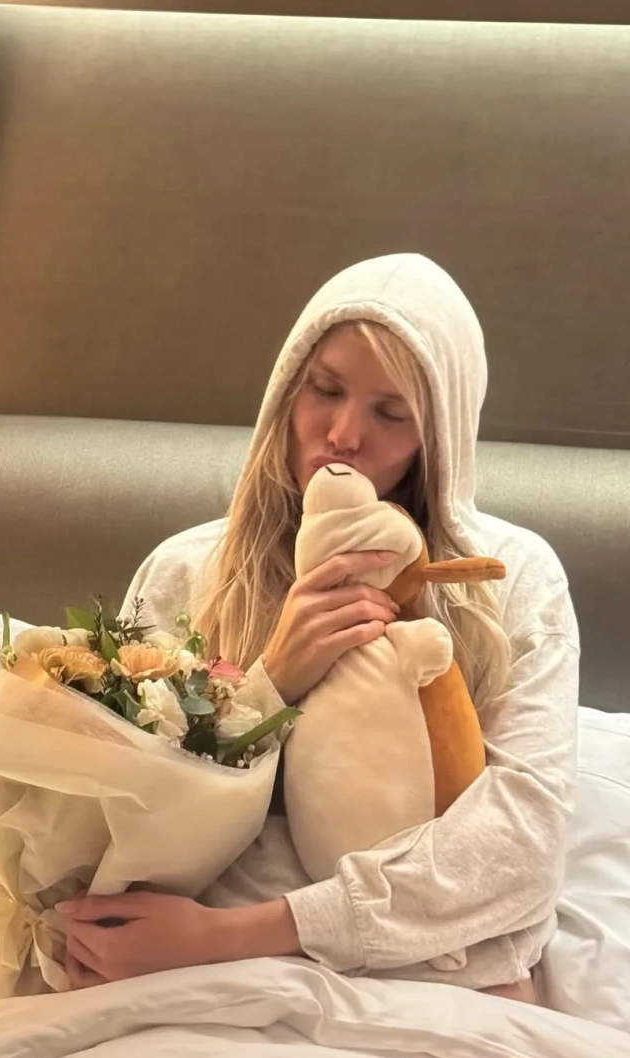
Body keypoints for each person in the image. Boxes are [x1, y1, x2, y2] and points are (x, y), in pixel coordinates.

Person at [57, 253, 580, 1004]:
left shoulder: (511, 579)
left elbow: (520, 846)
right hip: (196, 977)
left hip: (427, 972)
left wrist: (236, 935)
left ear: (438, 435)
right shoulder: (190, 571)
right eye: (325, 390)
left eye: (391, 413)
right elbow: (125, 824)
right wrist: (268, 687)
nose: (342, 434)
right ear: (286, 389)